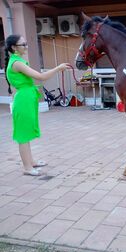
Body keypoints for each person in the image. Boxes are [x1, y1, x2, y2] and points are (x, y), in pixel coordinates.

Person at [4, 34, 70, 176]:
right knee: (23, 135)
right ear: (14, 47)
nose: (26, 46)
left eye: (26, 43)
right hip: (24, 100)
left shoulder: (17, 61)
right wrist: (58, 68)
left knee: (26, 132)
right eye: (23, 44)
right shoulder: (17, 63)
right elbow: (40, 77)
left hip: (27, 98)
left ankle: (31, 162)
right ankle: (27, 168)